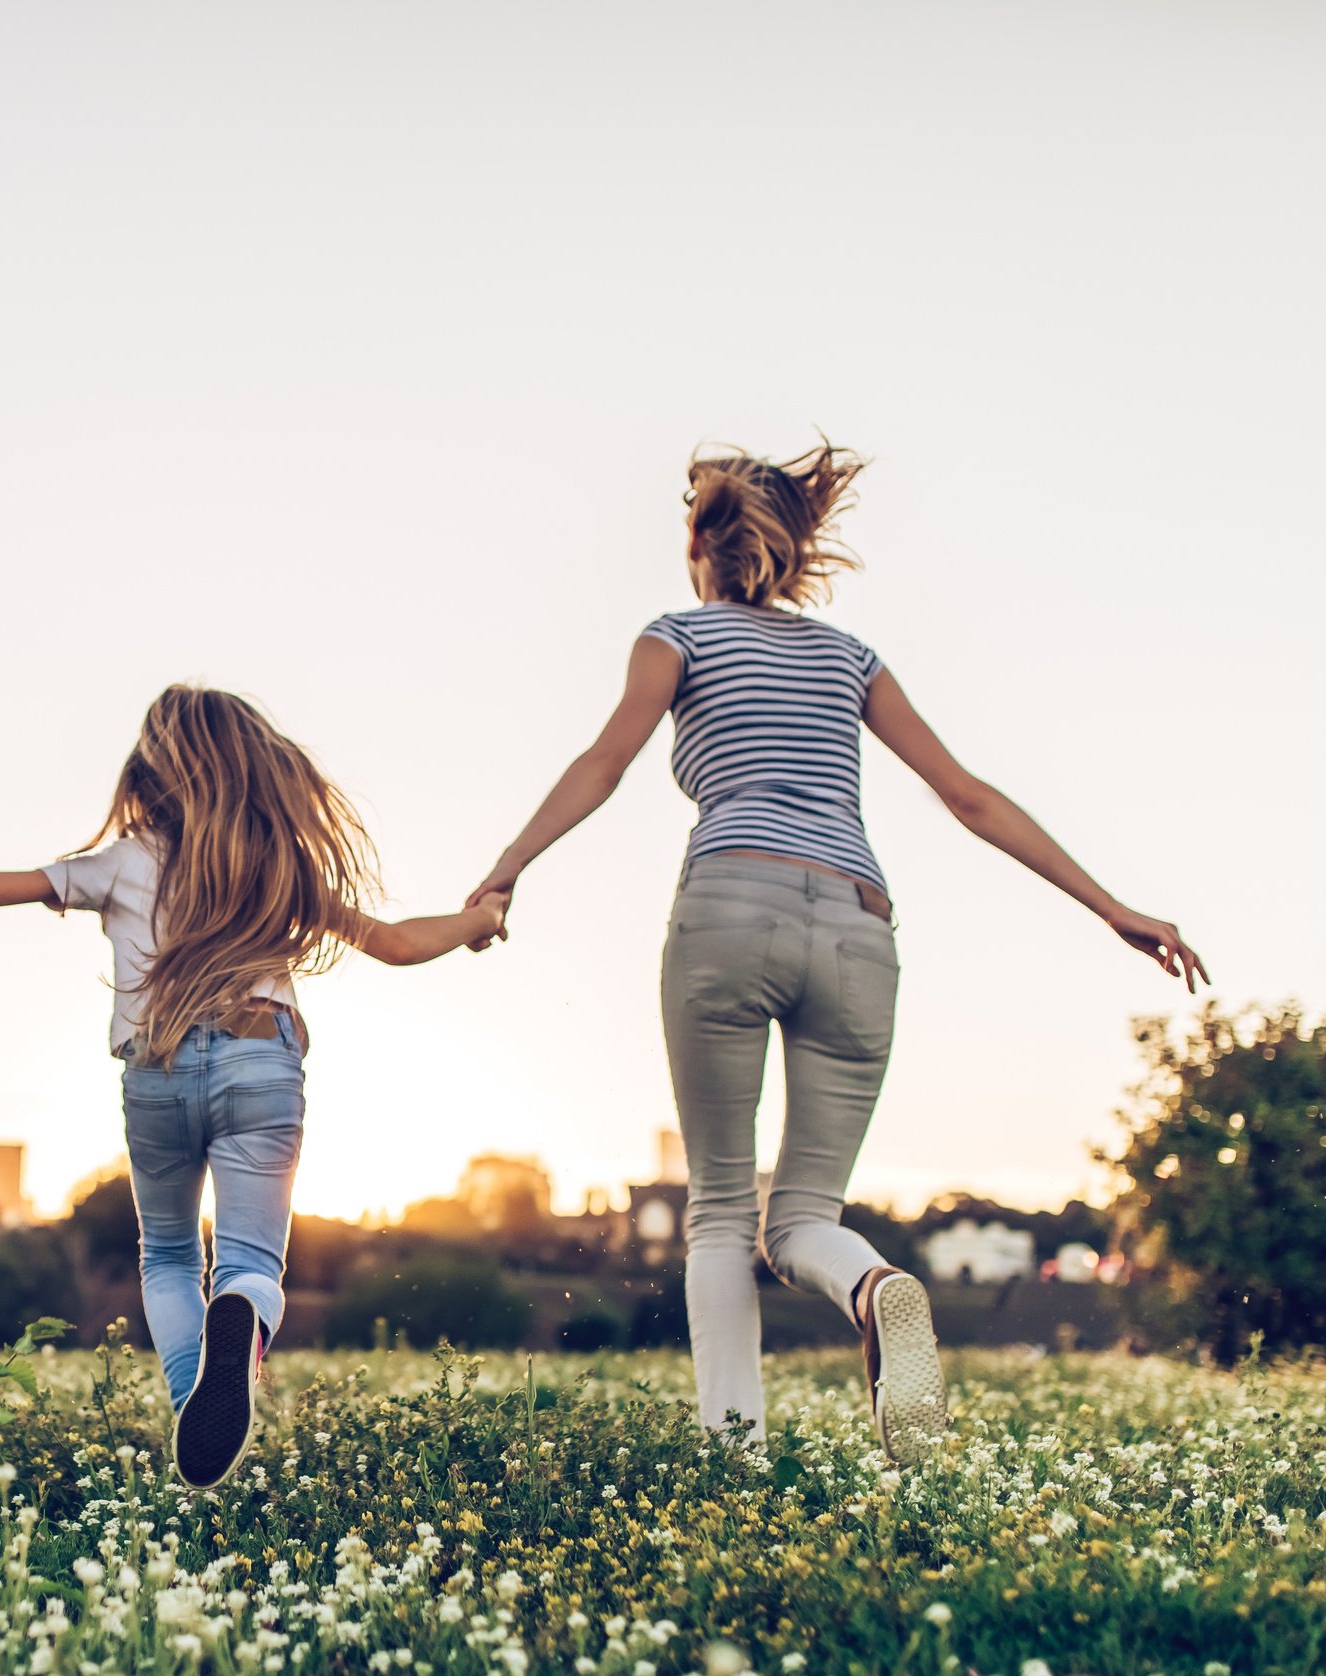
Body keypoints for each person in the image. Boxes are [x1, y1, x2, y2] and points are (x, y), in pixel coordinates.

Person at [466, 440, 1205, 1464]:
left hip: (732, 898)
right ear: (798, 548)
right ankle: (873, 1284)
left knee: (721, 1210)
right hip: (860, 923)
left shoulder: (673, 635)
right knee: (805, 1211)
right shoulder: (850, 657)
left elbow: (605, 761)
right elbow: (970, 796)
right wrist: (1111, 904)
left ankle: (737, 1450)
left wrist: (506, 868)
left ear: (698, 544)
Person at [0, 685, 506, 1487]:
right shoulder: (277, 866)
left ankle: (197, 1405)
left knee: (170, 1257)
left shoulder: (121, 862)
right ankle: (242, 1322)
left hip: (157, 1072)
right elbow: (393, 942)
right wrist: (476, 920)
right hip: (262, 1059)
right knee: (250, 1263)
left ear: (150, 772)